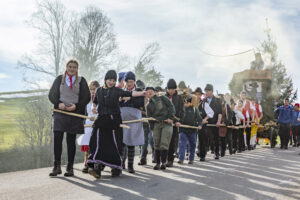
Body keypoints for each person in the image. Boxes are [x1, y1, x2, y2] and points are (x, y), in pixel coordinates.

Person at [87, 70, 146, 179]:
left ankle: (116, 168)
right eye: (110, 80)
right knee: (96, 142)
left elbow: (131, 93)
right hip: (101, 120)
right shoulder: (99, 90)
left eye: (114, 80)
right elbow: (95, 101)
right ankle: (96, 168)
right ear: (105, 79)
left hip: (113, 121)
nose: (112, 82)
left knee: (113, 145)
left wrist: (142, 93)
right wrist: (93, 107)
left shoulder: (117, 90)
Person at [48, 59, 90, 177]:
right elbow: (51, 94)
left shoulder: (82, 81)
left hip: (74, 113)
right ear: (66, 67)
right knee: (57, 140)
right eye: (70, 66)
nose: (72, 69)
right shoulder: (59, 79)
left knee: (70, 141)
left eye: (74, 67)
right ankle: (57, 167)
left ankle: (70, 167)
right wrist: (58, 103)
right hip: (60, 113)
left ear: (77, 69)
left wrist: (76, 106)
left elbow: (86, 97)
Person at [120, 72, 145, 173]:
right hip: (123, 120)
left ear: (134, 82)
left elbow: (140, 104)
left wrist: (130, 98)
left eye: (131, 81)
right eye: (127, 82)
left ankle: (130, 165)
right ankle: (121, 163)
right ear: (124, 82)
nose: (129, 84)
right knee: (122, 143)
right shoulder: (121, 91)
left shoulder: (139, 91)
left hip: (134, 120)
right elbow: (117, 103)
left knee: (131, 143)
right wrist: (121, 99)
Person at [146, 87, 175, 170]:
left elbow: (171, 107)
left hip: (166, 123)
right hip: (156, 125)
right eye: (147, 92)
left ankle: (163, 163)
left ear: (154, 92)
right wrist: (152, 129)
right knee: (157, 144)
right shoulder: (148, 105)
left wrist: (171, 118)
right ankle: (158, 163)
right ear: (146, 95)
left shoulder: (162, 98)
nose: (149, 93)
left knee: (164, 143)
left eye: (151, 91)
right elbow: (149, 118)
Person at [76, 80, 100, 173]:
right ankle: (86, 162)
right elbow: (83, 112)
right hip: (88, 123)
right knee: (87, 143)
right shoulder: (86, 99)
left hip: (97, 123)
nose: (92, 91)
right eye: (90, 89)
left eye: (94, 89)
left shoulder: (100, 98)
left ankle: (94, 163)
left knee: (95, 143)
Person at [165, 79, 185, 167]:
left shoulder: (179, 98)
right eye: (169, 89)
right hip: (165, 122)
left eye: (172, 89)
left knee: (172, 142)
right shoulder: (164, 97)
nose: (171, 91)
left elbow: (182, 111)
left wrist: (178, 121)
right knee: (164, 142)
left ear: (175, 89)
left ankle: (170, 160)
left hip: (174, 123)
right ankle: (163, 159)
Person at [177, 95, 202, 164]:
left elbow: (200, 119)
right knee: (182, 144)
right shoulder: (180, 110)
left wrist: (200, 125)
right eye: (184, 103)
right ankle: (181, 159)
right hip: (183, 130)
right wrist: (178, 122)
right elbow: (177, 118)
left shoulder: (194, 109)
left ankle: (191, 159)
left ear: (190, 103)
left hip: (192, 130)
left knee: (192, 145)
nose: (185, 104)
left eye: (187, 102)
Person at [194, 87, 214, 161]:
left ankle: (202, 155)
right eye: (196, 94)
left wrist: (205, 119)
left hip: (202, 124)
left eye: (199, 94)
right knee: (193, 139)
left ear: (201, 95)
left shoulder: (204, 104)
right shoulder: (191, 103)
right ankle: (191, 154)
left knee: (202, 139)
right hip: (193, 124)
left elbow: (211, 113)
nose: (197, 96)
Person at [138, 80, 155, 165]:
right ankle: (143, 157)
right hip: (142, 122)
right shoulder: (140, 99)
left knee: (152, 140)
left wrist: (143, 113)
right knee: (142, 141)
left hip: (152, 123)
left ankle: (153, 155)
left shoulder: (153, 100)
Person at [204, 84, 222, 159]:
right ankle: (202, 153)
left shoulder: (217, 100)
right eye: (205, 91)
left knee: (215, 138)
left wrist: (218, 121)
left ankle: (216, 152)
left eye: (207, 91)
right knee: (205, 137)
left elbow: (220, 113)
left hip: (214, 123)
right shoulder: (204, 101)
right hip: (206, 122)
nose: (206, 93)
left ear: (211, 91)